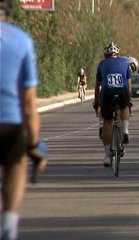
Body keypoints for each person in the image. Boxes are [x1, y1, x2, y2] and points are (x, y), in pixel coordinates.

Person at [0, 1, 47, 239]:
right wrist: (34, 144)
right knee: (16, 166)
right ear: (8, 14)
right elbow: (29, 103)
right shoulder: (22, 41)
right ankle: (8, 224)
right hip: (11, 122)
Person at [93, 42, 134, 166]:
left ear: (106, 54)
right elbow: (129, 85)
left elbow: (97, 86)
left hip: (107, 93)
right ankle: (125, 130)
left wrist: (96, 101)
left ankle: (106, 155)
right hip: (122, 92)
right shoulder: (125, 62)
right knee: (125, 106)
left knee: (107, 122)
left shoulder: (102, 64)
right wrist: (129, 100)